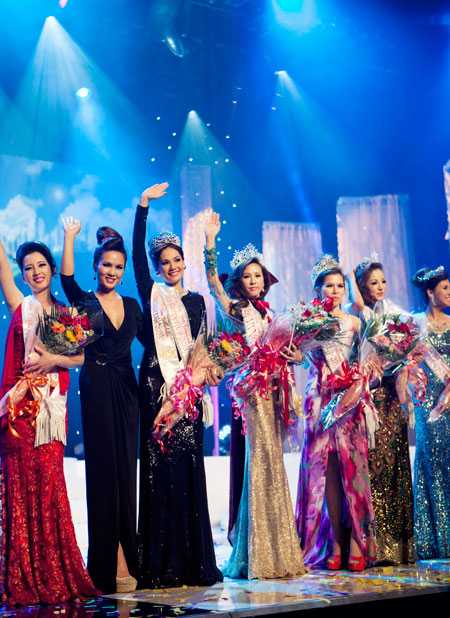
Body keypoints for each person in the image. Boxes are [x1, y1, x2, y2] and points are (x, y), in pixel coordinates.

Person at [204, 211, 305, 580]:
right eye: (247, 276)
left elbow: (285, 350)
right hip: (251, 395)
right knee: (258, 465)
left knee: (272, 464)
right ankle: (258, 552)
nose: (252, 281)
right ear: (240, 282)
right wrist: (210, 243)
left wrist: (295, 356)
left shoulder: (271, 313)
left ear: (265, 281)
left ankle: (278, 549)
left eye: (257, 276)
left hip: (273, 394)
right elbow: (213, 284)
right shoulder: (237, 310)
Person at [133, 183, 222, 588]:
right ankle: (160, 564)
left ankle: (192, 562)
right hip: (156, 387)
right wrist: (143, 207)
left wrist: (208, 373)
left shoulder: (198, 302)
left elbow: (202, 353)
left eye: (176, 259)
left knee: (188, 469)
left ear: (185, 262)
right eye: (164, 262)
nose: (171, 266)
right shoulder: (152, 293)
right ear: (156, 267)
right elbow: (136, 255)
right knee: (158, 471)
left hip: (187, 392)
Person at [0, 238, 97, 605]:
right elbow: (4, 274)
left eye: (41, 265)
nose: (35, 272)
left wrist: (52, 361)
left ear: (52, 270)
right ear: (23, 276)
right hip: (21, 410)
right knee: (22, 487)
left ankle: (54, 570)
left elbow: (83, 359)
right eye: (28, 268)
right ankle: (24, 574)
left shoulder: (66, 313)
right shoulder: (21, 306)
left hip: (51, 411)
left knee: (50, 485)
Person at [61, 219, 144, 594]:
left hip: (128, 389)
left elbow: (156, 345)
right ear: (96, 266)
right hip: (96, 387)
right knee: (104, 473)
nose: (112, 271)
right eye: (106, 264)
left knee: (126, 472)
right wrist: (69, 237)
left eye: (118, 266)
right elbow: (66, 279)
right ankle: (108, 562)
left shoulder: (132, 305)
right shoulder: (84, 301)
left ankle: (129, 554)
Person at [295, 255, 376, 571]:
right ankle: (335, 541)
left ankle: (357, 537)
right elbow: (299, 356)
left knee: (353, 468)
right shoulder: (308, 322)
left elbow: (368, 360)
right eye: (329, 285)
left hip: (348, 398)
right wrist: (294, 354)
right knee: (326, 470)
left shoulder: (355, 322)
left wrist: (359, 382)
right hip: (319, 397)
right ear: (318, 290)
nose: (335, 290)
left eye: (339, 285)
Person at [351, 259, 414, 565]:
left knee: (395, 465)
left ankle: (399, 546)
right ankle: (375, 545)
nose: (379, 287)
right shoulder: (357, 316)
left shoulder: (397, 315)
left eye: (383, 281)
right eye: (373, 282)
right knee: (372, 466)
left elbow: (408, 352)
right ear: (362, 286)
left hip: (389, 397)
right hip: (366, 398)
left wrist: (401, 364)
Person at [411, 266, 450, 559]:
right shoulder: (415, 324)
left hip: (448, 397)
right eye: (445, 288)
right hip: (427, 402)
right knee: (431, 461)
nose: (449, 292)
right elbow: (407, 362)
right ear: (430, 292)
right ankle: (437, 537)